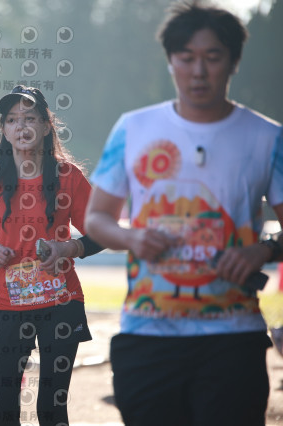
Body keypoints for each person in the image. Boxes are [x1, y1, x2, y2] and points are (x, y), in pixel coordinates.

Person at [84, 3, 283, 426]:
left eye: (212, 57)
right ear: (171, 60)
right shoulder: (133, 129)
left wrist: (263, 250)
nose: (199, 71)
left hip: (233, 337)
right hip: (147, 336)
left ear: (233, 62)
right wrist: (132, 237)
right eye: (187, 57)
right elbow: (96, 218)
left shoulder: (267, 137)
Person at [0, 85, 103, 426]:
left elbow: (100, 231)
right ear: (3, 129)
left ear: (46, 125)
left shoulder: (68, 176)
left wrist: (70, 247)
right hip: (3, 306)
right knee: (3, 410)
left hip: (60, 302)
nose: (21, 127)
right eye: (12, 120)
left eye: (30, 118)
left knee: (52, 409)